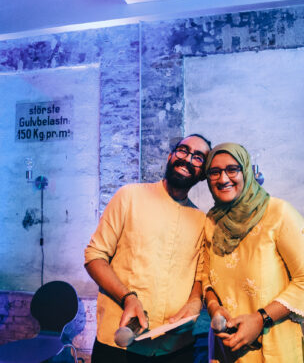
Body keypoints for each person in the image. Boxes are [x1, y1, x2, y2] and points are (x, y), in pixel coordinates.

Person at [84, 134, 212, 363]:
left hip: (176, 348)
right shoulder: (129, 196)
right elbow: (95, 256)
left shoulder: (201, 220)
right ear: (170, 155)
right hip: (121, 345)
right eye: (183, 150)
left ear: (202, 174)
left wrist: (194, 302)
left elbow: (199, 275)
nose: (188, 159)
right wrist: (127, 298)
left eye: (198, 158)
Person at [202, 143, 304, 362]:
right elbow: (206, 277)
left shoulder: (279, 214)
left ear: (246, 171)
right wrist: (214, 307)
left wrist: (260, 319)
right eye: (215, 172)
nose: (223, 179)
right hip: (226, 348)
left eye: (232, 169)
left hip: (273, 346)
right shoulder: (212, 222)